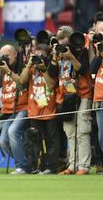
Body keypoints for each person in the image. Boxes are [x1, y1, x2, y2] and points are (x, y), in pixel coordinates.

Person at [49, 32, 92, 175]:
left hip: (82, 95)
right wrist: (55, 58)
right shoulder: (58, 56)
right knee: (70, 134)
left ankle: (83, 167)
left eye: (65, 46)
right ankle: (72, 166)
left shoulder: (81, 53)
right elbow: (52, 76)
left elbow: (84, 69)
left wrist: (71, 56)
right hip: (65, 97)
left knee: (82, 132)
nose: (62, 49)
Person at [0, 45, 31, 174]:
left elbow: (21, 84)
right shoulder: (1, 69)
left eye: (7, 56)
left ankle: (22, 166)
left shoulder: (22, 66)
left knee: (13, 131)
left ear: (15, 54)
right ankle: (28, 162)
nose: (5, 59)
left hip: (24, 107)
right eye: (2, 56)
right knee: (3, 141)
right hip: (9, 110)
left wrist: (8, 70)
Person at [19, 44, 59, 174]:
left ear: (47, 56)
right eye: (37, 55)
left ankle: (51, 167)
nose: (39, 58)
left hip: (50, 109)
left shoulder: (52, 68)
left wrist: (43, 69)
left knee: (51, 141)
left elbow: (52, 85)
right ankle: (35, 166)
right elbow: (21, 80)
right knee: (34, 141)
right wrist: (29, 64)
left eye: (42, 55)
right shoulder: (31, 68)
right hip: (34, 110)